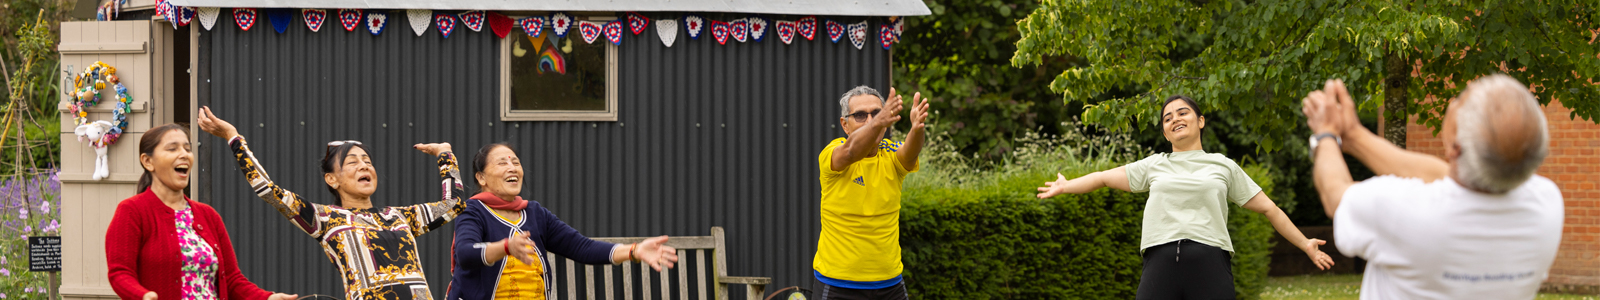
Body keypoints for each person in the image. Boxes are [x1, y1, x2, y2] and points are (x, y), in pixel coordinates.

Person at [1035, 95, 1335, 299]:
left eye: (1182, 113)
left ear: (1200, 121)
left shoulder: (1223, 165)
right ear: (1165, 133)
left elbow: (1270, 208)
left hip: (1210, 262)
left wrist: (1305, 244)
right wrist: (1066, 185)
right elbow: (1102, 178)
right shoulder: (1153, 165)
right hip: (1159, 262)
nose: (1175, 119)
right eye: (1167, 118)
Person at [1302, 76, 1563, 299]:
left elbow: (1335, 196)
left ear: (1454, 147)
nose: (1453, 101)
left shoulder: (1407, 212)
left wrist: (1325, 133)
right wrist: (1355, 136)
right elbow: (1444, 176)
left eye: (1461, 99)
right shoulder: (1546, 204)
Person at [197, 107, 466, 299]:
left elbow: (454, 203)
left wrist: (445, 154)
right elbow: (267, 189)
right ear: (332, 179)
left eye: (367, 162)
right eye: (353, 162)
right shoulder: (325, 219)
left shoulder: (399, 216)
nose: (364, 166)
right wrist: (234, 137)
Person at [447, 142, 680, 299]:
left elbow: (582, 247)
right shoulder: (472, 211)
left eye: (516, 162)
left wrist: (634, 251)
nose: (513, 168)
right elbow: (466, 254)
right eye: (502, 163)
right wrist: (505, 247)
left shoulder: (535, 213)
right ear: (481, 177)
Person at [105, 123, 297, 300]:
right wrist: (143, 295)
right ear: (148, 162)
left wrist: (267, 298)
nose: (184, 154)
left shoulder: (208, 215)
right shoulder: (132, 211)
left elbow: (232, 279)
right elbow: (120, 273)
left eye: (187, 149)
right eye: (173, 149)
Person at [813, 86, 928, 300]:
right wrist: (878, 122)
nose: (870, 120)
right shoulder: (833, 152)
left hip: (890, 283)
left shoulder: (889, 153)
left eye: (876, 113)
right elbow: (851, 152)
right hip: (838, 284)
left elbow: (910, 154)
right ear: (844, 125)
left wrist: (917, 129)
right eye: (860, 115)